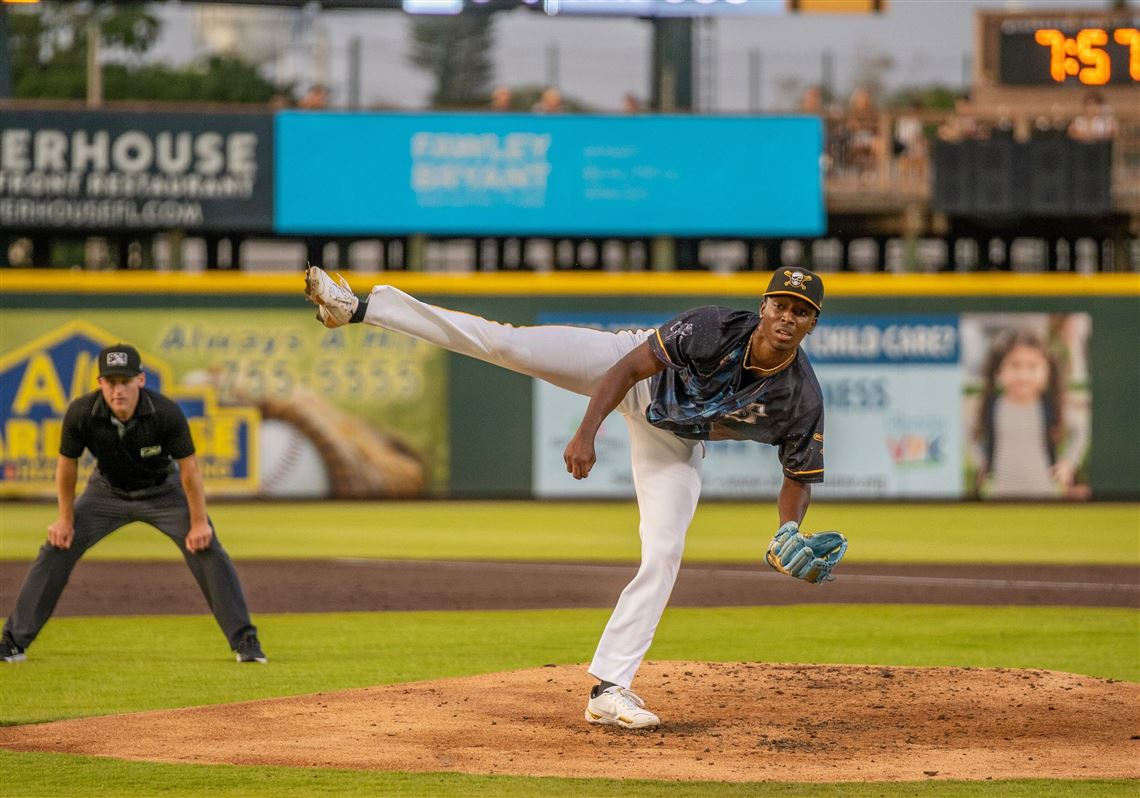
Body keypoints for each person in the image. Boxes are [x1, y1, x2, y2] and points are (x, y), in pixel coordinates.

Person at [303, 265, 845, 728]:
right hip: (629, 373)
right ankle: (360, 308)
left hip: (674, 438)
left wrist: (786, 531)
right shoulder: (714, 327)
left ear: (813, 323)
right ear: (763, 306)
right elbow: (631, 366)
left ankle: (609, 689)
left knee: (663, 552)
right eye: (781, 304)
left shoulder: (801, 397)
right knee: (508, 343)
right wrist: (588, 432)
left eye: (801, 311)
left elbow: (797, 474)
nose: (787, 317)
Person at [1, 344, 266, 664]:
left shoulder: (165, 412)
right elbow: (67, 464)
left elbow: (190, 470)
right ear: (100, 383)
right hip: (106, 492)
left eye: (125, 381)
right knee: (57, 545)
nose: (118, 390)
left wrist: (198, 523)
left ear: (140, 380)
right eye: (110, 382)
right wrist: (64, 518)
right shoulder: (82, 412)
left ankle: (245, 641)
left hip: (161, 492)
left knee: (207, 547)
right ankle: (13, 642)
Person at [972, 329, 1087, 499]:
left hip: (1044, 492)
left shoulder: (1052, 407)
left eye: (1032, 366)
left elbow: (1080, 432)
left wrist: (1068, 464)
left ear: (1046, 371)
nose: (1023, 375)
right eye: (1014, 365)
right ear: (999, 370)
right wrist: (981, 462)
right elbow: (970, 432)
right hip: (1000, 494)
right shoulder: (992, 407)